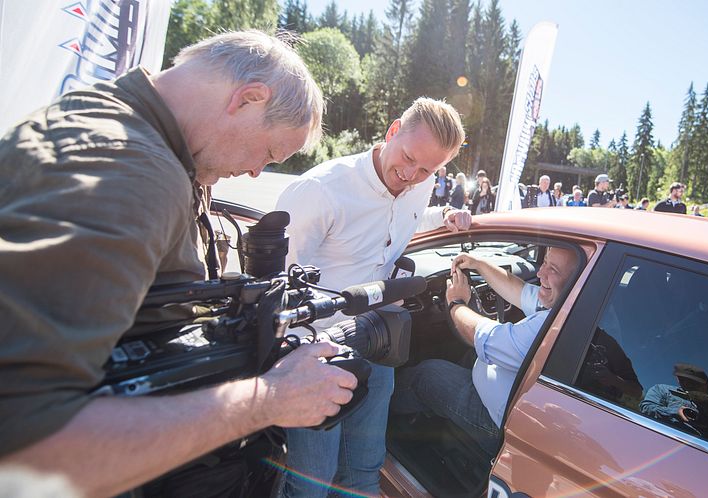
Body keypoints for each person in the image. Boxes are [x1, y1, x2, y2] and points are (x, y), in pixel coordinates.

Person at [0, 30, 358, 497]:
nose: (256, 172)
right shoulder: (129, 170)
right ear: (248, 99)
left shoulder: (122, 126)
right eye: (269, 154)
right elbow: (28, 446)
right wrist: (268, 399)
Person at [275, 97, 472, 498]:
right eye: (408, 158)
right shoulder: (320, 191)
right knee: (313, 480)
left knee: (364, 472)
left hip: (379, 340)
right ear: (393, 130)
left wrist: (444, 216)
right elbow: (275, 286)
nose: (410, 174)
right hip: (316, 352)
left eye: (426, 170)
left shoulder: (421, 182)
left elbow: (407, 216)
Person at [391, 247, 579, 454]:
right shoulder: (571, 304)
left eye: (553, 269)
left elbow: (481, 337)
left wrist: (456, 302)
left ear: (576, 281)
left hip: (499, 424)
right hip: (512, 396)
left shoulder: (552, 327)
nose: (540, 273)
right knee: (467, 356)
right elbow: (521, 291)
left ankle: (385, 411)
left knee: (427, 375)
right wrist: (478, 264)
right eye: (544, 263)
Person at [640, 364, 708, 450]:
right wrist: (675, 412)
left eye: (694, 382)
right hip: (664, 447)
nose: (687, 384)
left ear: (707, 385)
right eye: (682, 379)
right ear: (677, 379)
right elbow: (646, 408)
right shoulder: (663, 390)